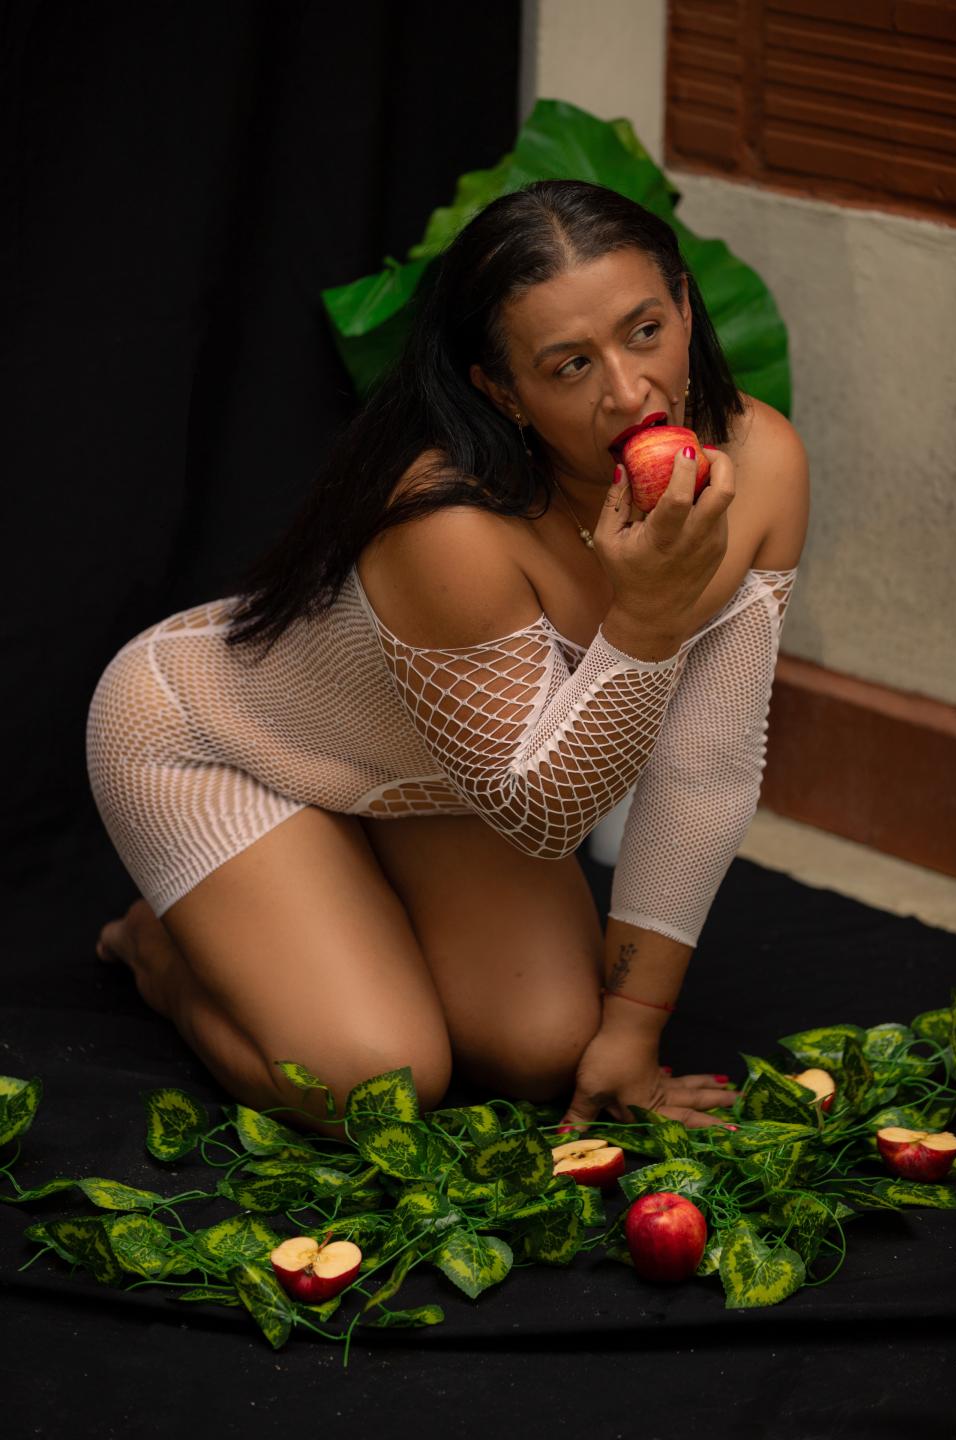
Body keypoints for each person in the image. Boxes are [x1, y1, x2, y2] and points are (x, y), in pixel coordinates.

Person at [87, 179, 808, 1139]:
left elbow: (704, 765)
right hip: (219, 742)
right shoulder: (451, 521)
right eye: (569, 365)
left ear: (683, 304)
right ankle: (162, 950)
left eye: (644, 331)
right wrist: (647, 617)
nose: (628, 391)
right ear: (501, 391)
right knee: (377, 1086)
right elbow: (544, 817)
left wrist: (634, 1030)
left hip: (433, 782)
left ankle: (347, 892)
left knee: (549, 1047)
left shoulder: (762, 463)